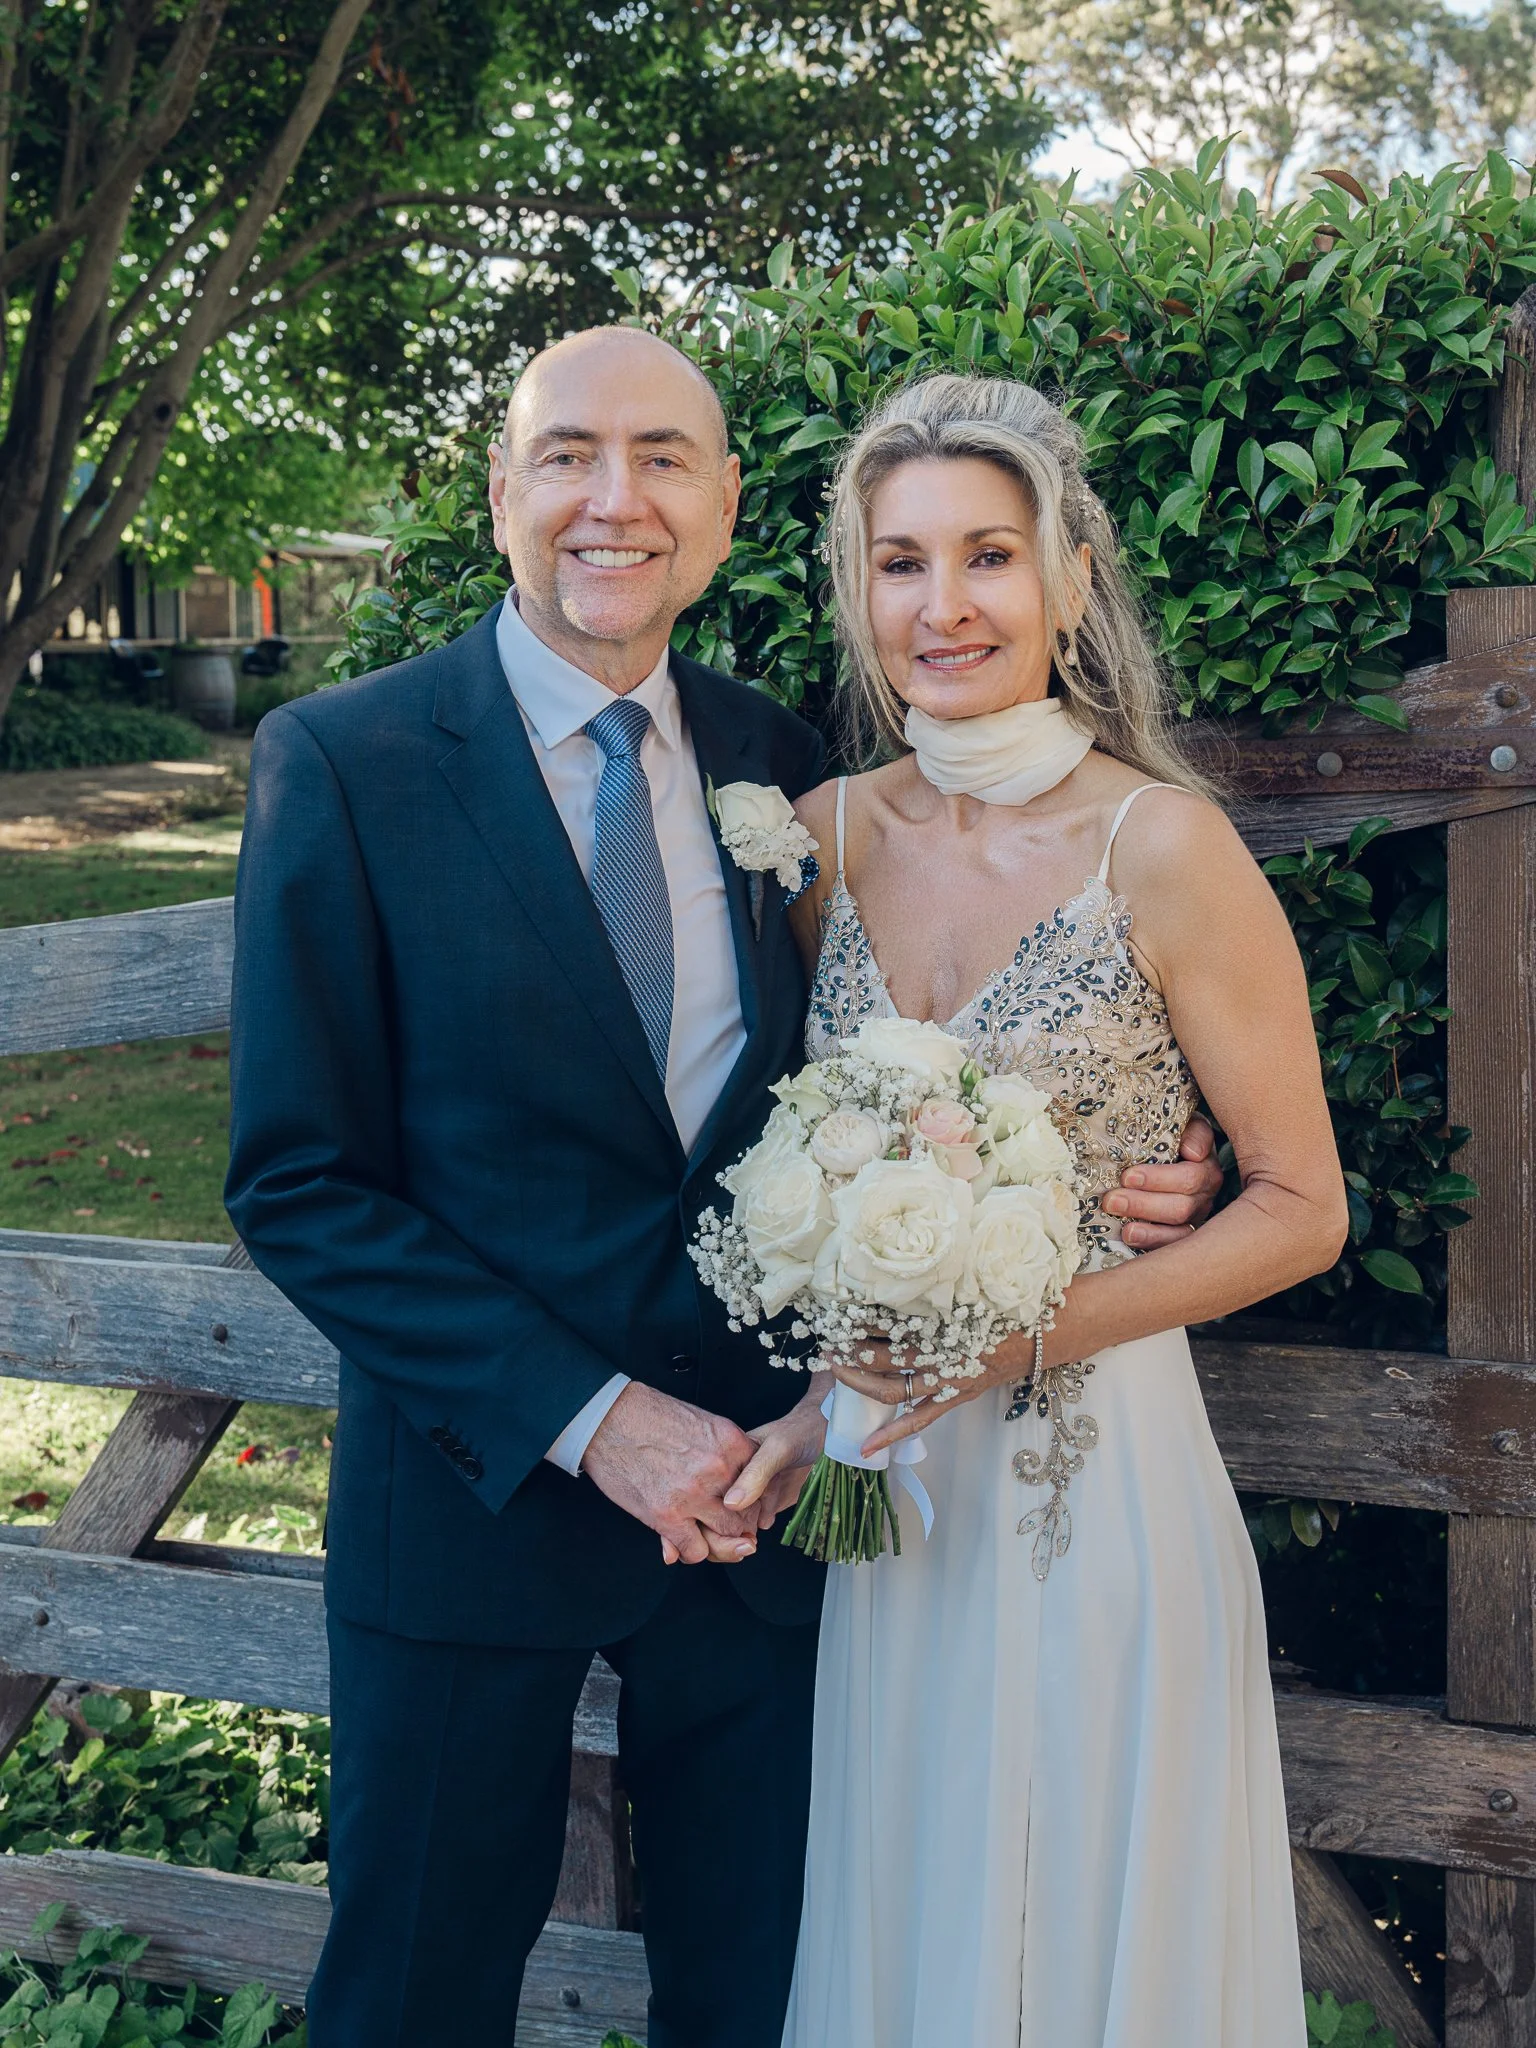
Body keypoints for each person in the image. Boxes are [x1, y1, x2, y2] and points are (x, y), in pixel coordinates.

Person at [224, 329, 1222, 2048]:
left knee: (764, 1999)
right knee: (410, 1996)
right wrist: (596, 1417)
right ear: (501, 494)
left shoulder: (785, 773)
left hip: (770, 1527)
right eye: (569, 457)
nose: (617, 501)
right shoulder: (348, 761)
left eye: (666, 458)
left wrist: (1134, 1177)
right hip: (474, 1507)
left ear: (728, 506)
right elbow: (300, 1180)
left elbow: (924, 1061)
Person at [730, 372, 1348, 2048]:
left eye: (989, 556)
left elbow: (1302, 1208)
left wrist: (1022, 1332)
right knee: (914, 1928)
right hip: (897, 1517)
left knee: (1094, 1942)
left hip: (1106, 1509)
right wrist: (814, 1403)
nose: (945, 607)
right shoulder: (821, 844)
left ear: (1071, 577)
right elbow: (811, 1163)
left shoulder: (1165, 846)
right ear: (857, 590)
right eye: (901, 561)